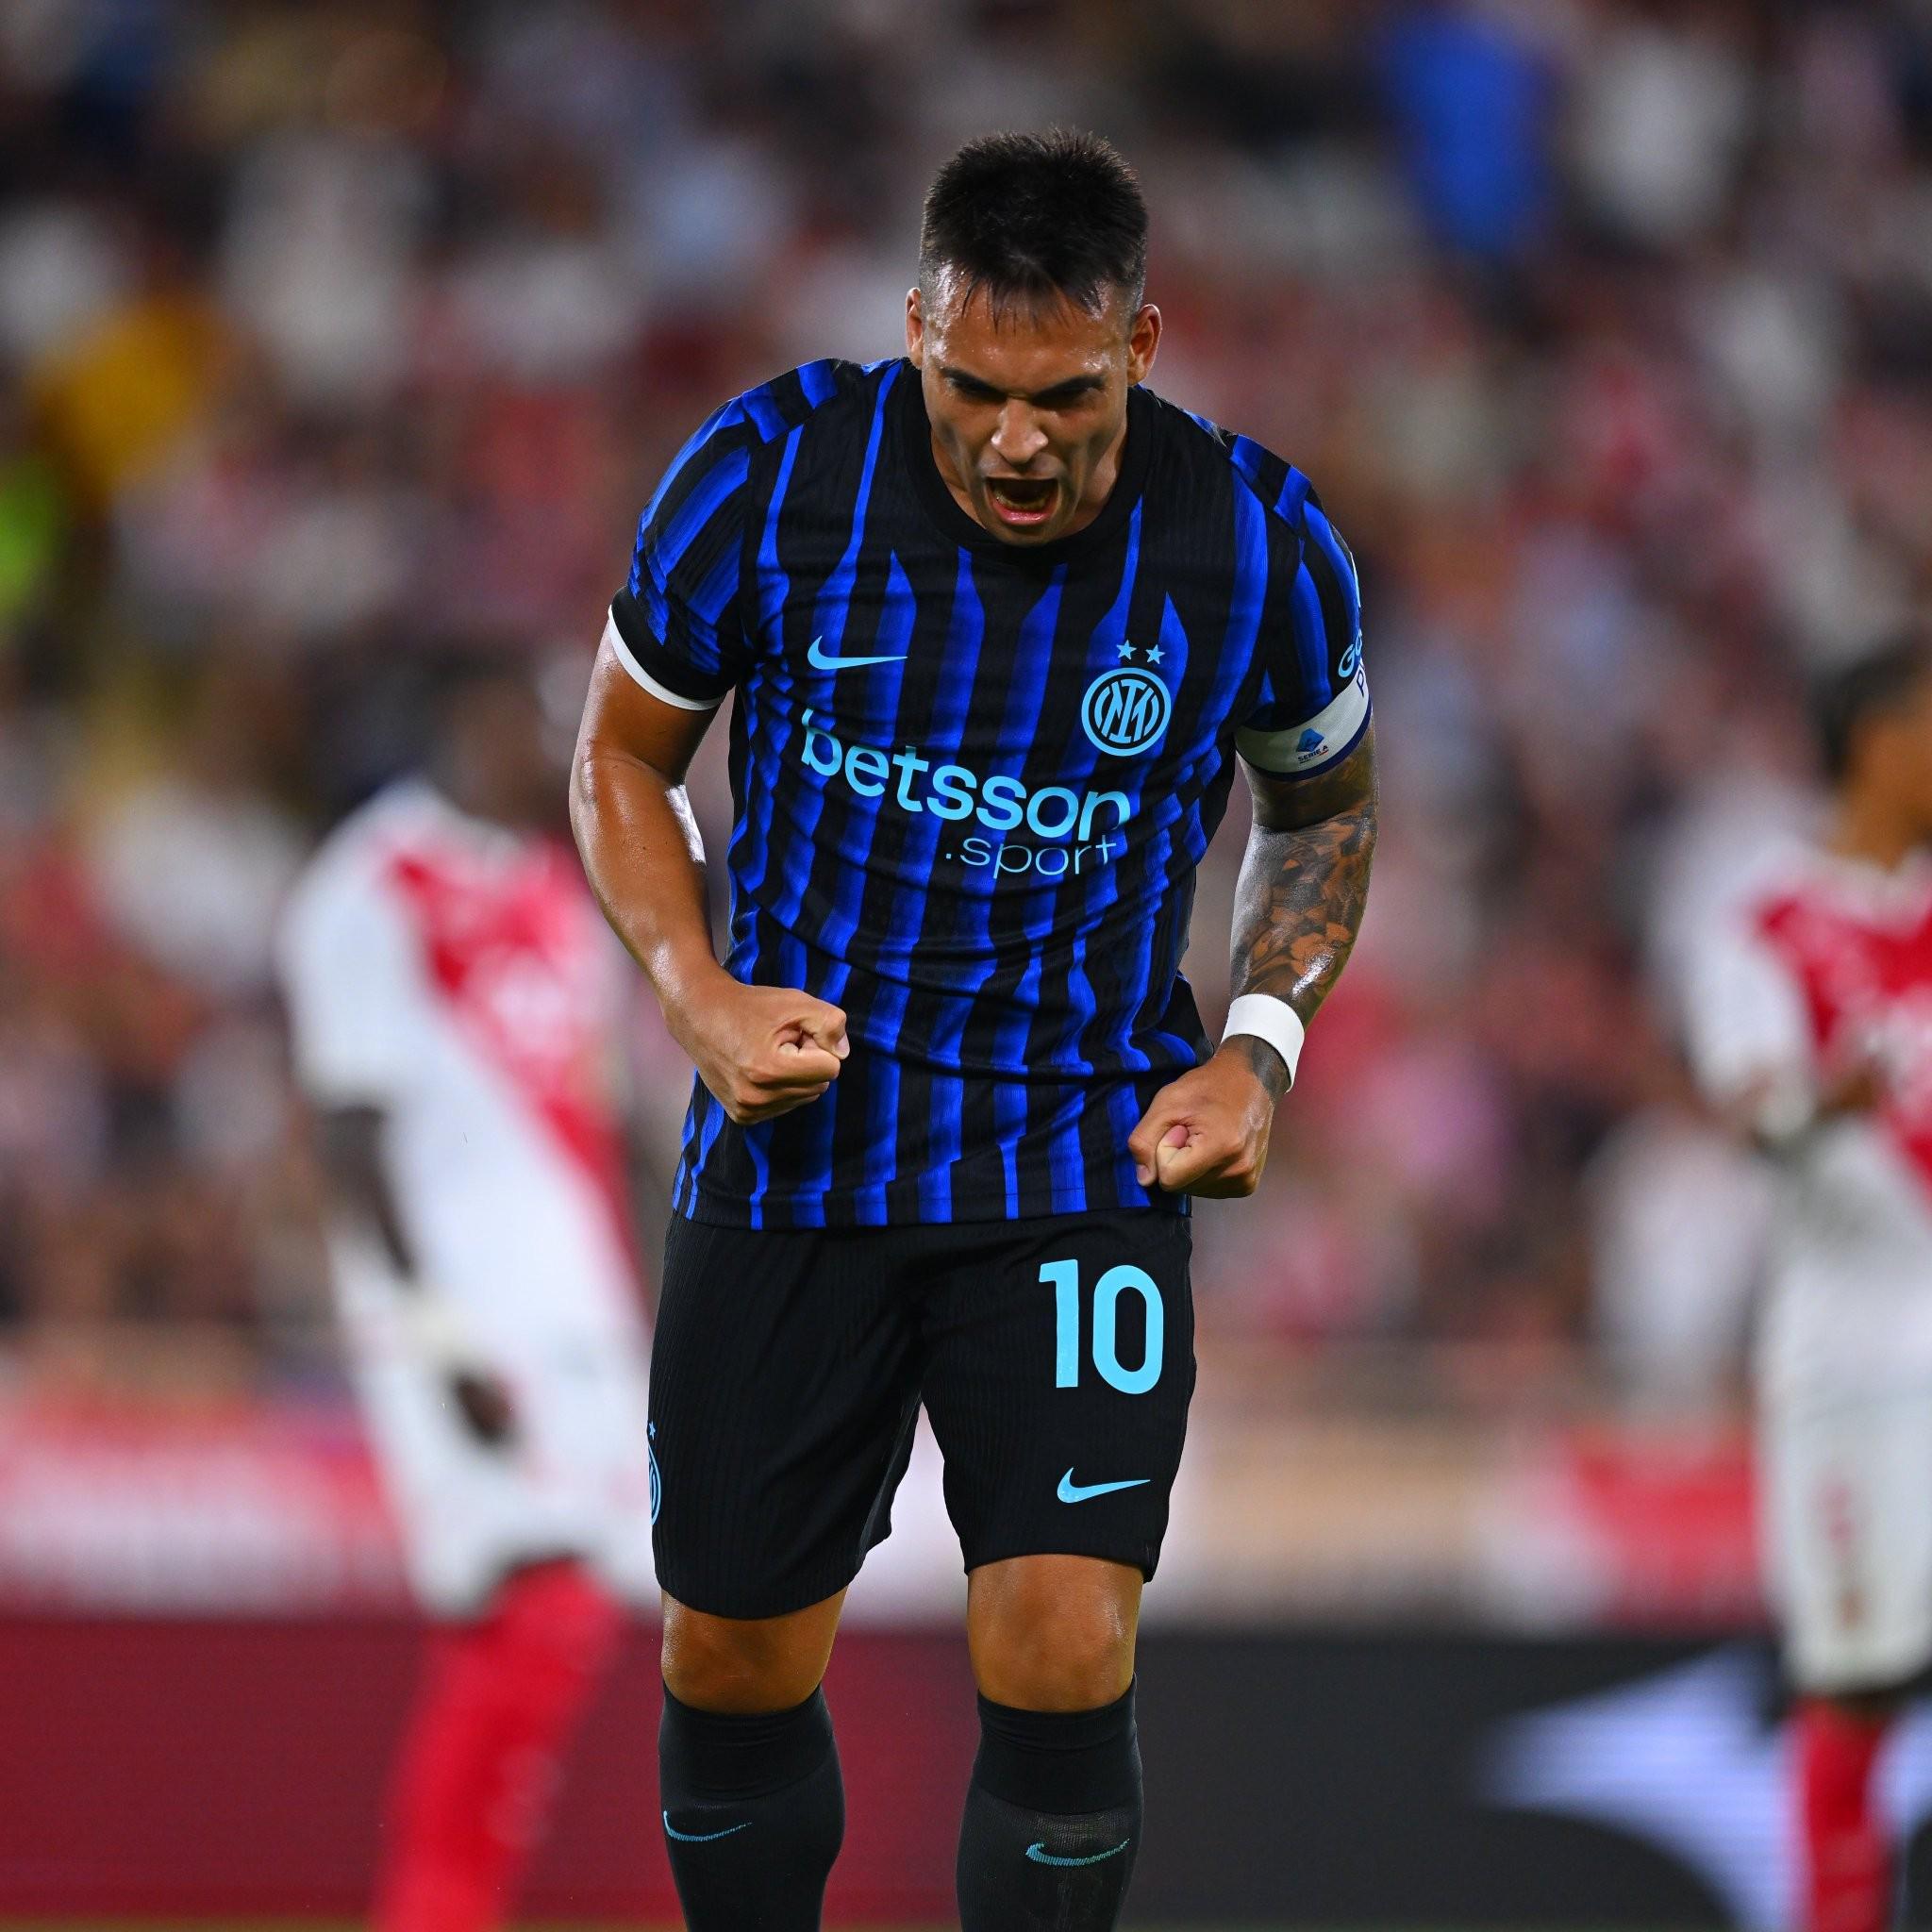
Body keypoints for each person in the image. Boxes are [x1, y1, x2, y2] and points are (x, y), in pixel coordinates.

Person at [571, 129, 1377, 1931]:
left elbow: (1324, 811)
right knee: (732, 1652)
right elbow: (621, 753)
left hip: (1076, 1153)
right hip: (800, 1146)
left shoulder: (1254, 543)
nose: (1016, 440)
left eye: (1066, 395)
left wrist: (1258, 1043)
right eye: (974, 388)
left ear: (1141, 344)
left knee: (1065, 1637)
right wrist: (697, 996)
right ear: (916, 329)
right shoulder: (772, 476)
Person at [278, 651, 656, 1932]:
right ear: (463, 716)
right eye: (538, 714)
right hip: (457, 1312)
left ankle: (446, 1901)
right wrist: (436, 1338)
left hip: (578, 1310)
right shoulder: (368, 888)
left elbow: (600, 1122)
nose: (556, 740)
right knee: (534, 1603)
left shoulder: (558, 889)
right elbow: (350, 1142)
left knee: (556, 1622)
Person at [1683, 636, 1932, 1932]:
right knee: (1859, 1683)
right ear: (1879, 743)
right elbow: (1751, 1105)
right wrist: (1819, 1102)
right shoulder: (1767, 919)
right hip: (1855, 1365)